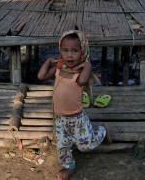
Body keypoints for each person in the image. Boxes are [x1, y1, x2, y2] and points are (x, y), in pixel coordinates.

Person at [38, 30, 112, 180]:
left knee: (86, 146)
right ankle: (69, 167)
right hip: (60, 119)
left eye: (75, 51)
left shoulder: (80, 72)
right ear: (60, 51)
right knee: (62, 148)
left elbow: (83, 81)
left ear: (83, 52)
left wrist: (87, 63)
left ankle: (102, 130)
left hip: (77, 119)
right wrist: (48, 61)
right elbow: (41, 76)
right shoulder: (59, 69)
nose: (69, 55)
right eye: (65, 51)